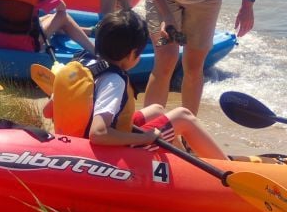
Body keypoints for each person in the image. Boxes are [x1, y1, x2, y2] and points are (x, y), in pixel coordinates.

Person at [45, 9, 227, 159]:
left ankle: (181, 161)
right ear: (132, 54)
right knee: (183, 116)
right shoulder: (113, 80)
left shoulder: (77, 66)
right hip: (96, 154)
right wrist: (145, 138)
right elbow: (98, 134)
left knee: (156, 109)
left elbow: (48, 111)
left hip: (73, 142)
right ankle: (227, 169)